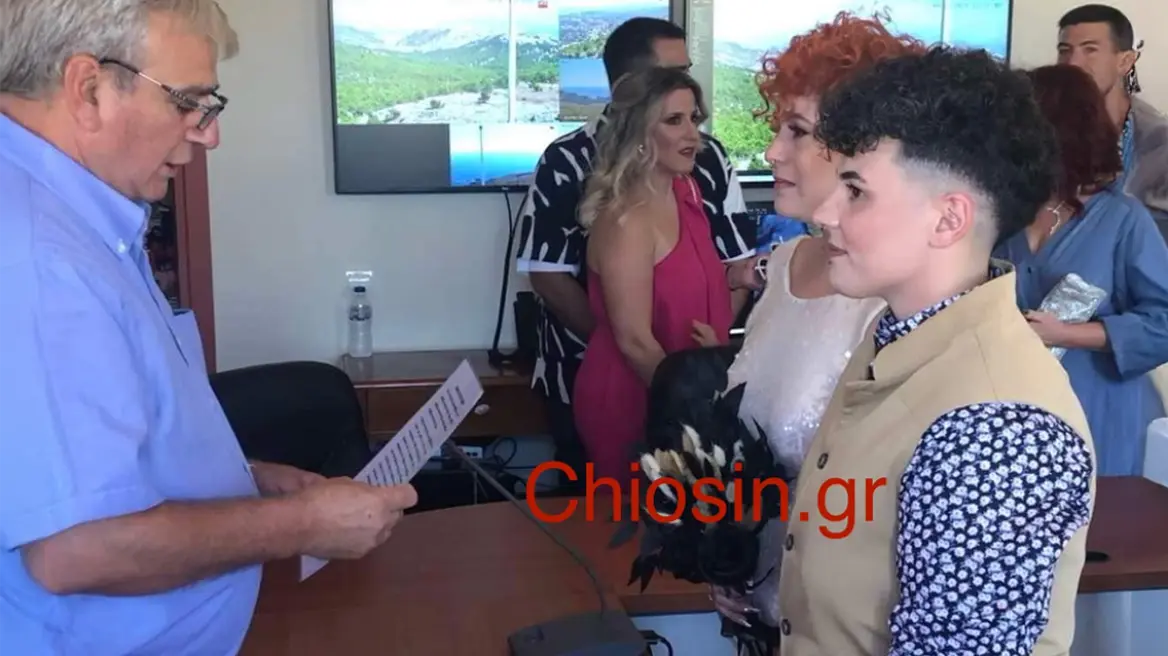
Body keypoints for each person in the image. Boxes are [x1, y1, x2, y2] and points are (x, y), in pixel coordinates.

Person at [0, 2, 417, 653]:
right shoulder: (38, 259)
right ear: (88, 90)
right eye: (187, 102)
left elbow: (96, 446)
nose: (208, 134)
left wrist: (244, 479)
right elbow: (77, 551)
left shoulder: (77, 216)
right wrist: (300, 524)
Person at [774, 46, 1095, 655]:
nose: (825, 213)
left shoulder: (996, 427)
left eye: (855, 191)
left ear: (948, 220)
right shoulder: (899, 337)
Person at [709, 12, 925, 632]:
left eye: (798, 132)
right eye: (777, 128)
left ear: (866, 147)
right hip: (765, 614)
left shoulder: (898, 302)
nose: (772, 152)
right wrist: (722, 551)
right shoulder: (784, 265)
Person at [513, 17, 757, 492]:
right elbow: (553, 279)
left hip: (694, 384)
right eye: (671, 77)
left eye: (693, 117)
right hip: (627, 388)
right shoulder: (582, 174)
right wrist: (631, 350)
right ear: (635, 95)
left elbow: (727, 269)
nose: (692, 132)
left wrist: (708, 365)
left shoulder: (694, 180)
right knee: (619, 524)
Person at [993, 64, 1168, 476]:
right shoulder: (1006, 215)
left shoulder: (1123, 220)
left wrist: (1067, 334)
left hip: (1102, 415)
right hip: (1017, 411)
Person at [570, 67, 735, 490]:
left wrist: (742, 276)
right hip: (636, 401)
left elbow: (685, 280)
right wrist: (693, 413)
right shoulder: (628, 220)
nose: (693, 134)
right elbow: (635, 342)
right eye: (674, 120)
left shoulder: (686, 193)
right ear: (640, 132)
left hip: (691, 394)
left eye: (694, 119)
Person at [1056, 4, 1168, 224]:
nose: (1073, 63)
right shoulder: (1044, 126)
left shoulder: (1159, 144)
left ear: (1125, 62)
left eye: (1090, 50)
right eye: (1064, 50)